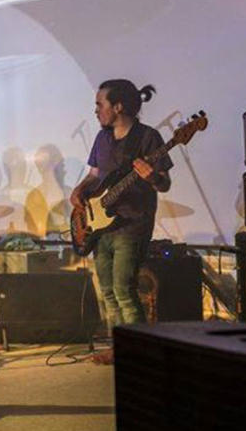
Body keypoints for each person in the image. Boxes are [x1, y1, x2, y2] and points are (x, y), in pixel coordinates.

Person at [70, 80, 173, 353]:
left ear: (117, 107)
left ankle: (138, 353)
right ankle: (119, 349)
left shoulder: (148, 137)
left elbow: (164, 184)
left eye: (99, 104)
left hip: (132, 224)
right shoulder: (101, 138)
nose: (96, 110)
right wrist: (79, 191)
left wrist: (152, 177)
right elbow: (94, 176)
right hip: (100, 226)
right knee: (108, 292)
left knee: (124, 291)